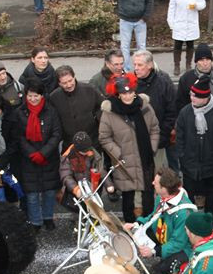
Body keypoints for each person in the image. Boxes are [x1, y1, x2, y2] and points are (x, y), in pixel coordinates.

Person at [99, 73, 161, 223]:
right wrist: (119, 154)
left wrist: (151, 148)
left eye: (130, 92)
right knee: (128, 198)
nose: (127, 96)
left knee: (148, 196)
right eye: (123, 93)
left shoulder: (144, 106)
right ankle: (130, 230)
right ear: (118, 94)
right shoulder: (110, 112)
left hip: (145, 159)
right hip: (125, 162)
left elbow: (154, 128)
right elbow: (104, 137)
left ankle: (148, 229)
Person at [124, 166, 194, 274]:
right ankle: (163, 254)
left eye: (156, 182)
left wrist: (154, 251)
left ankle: (182, 264)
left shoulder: (184, 213)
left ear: (164, 188)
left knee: (161, 270)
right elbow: (153, 216)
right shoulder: (161, 197)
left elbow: (178, 243)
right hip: (166, 236)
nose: (152, 183)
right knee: (139, 233)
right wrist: (136, 224)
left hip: (184, 248)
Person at [175, 75, 213, 222]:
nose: (192, 99)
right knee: (190, 195)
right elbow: (180, 137)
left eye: (196, 96)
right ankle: (191, 220)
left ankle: (210, 219)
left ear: (205, 97)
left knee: (212, 195)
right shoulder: (185, 112)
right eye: (191, 95)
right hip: (190, 164)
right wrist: (183, 157)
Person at [16, 78, 61, 230]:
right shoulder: (20, 112)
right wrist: (32, 153)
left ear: (42, 95)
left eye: (36, 96)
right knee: (32, 194)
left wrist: (43, 153)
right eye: (30, 96)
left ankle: (48, 217)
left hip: (48, 158)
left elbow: (56, 134)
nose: (33, 99)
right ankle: (35, 221)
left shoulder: (51, 111)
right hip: (28, 159)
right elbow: (19, 136)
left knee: (49, 191)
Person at [132, 50, 177, 167]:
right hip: (138, 140)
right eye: (134, 64)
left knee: (158, 172)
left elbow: (172, 110)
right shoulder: (131, 82)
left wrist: (161, 136)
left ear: (150, 65)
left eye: (140, 65)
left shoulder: (163, 81)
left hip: (160, 136)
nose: (136, 68)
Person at [106, 0, 153, 71]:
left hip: (140, 20)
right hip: (125, 20)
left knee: (141, 47)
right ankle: (126, 70)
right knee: (124, 47)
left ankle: (141, 68)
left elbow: (150, 0)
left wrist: (146, 17)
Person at [50, 64, 102, 149]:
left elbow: (101, 107)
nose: (69, 85)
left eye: (70, 81)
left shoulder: (90, 90)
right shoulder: (54, 97)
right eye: (64, 83)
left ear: (74, 77)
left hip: (93, 142)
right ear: (59, 83)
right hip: (69, 144)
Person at [166, 0, 205, 76]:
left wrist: (196, 5)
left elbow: (203, 4)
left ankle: (188, 65)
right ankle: (177, 65)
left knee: (190, 45)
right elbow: (172, 8)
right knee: (177, 45)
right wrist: (171, 22)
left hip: (191, 23)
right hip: (179, 23)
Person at [177, 43, 213, 113]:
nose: (205, 63)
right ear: (196, 62)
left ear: (211, 61)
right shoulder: (186, 79)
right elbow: (180, 104)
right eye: (201, 60)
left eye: (208, 59)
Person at [59, 130, 103, 204]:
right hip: (75, 193)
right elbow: (66, 176)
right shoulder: (68, 157)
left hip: (92, 190)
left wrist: (109, 184)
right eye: (84, 150)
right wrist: (76, 189)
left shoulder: (93, 154)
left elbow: (101, 169)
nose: (86, 152)